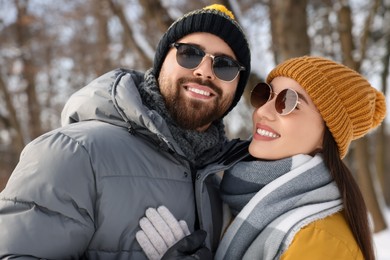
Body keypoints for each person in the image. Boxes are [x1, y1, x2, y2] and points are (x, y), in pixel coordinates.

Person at [0, 4, 251, 259]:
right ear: (161, 62)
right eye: (189, 53)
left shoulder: (218, 186)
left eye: (225, 65)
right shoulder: (75, 153)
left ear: (236, 89)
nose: (204, 71)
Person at [137, 56, 386, 260]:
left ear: (326, 136)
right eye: (265, 95)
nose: (263, 111)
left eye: (289, 103)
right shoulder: (239, 199)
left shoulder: (322, 240)